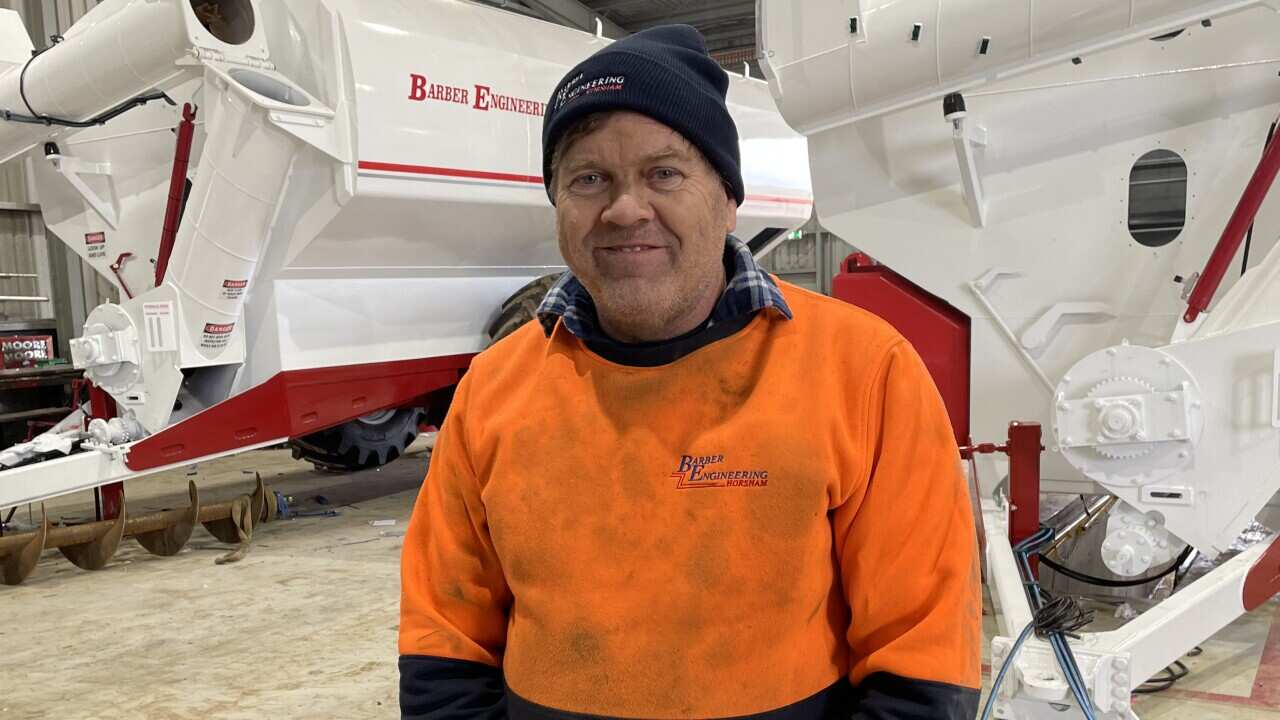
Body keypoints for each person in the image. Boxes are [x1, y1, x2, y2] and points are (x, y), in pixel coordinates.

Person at [399, 24, 981, 720]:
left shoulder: (864, 371)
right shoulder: (494, 390)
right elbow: (447, 639)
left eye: (664, 173)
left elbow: (921, 656)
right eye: (589, 178)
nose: (624, 209)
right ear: (557, 204)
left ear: (727, 197)